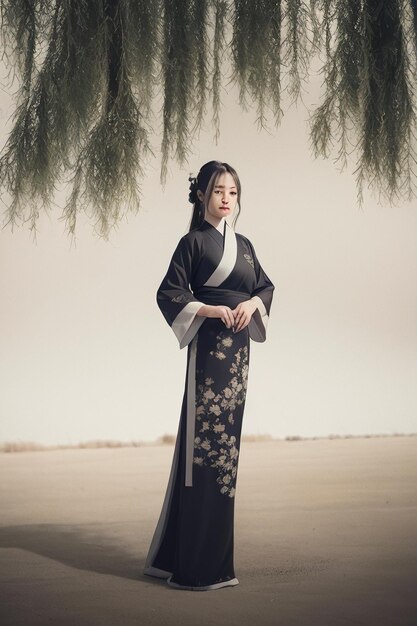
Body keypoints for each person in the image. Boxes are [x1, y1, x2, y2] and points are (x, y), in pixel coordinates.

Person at [143, 160, 274, 591]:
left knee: (225, 455)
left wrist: (252, 306)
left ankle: (215, 563)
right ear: (201, 195)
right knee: (203, 455)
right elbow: (170, 292)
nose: (226, 199)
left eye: (232, 193)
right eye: (218, 191)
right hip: (209, 352)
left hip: (236, 358)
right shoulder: (192, 243)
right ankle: (194, 569)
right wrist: (211, 308)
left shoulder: (246, 245)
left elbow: (264, 287)